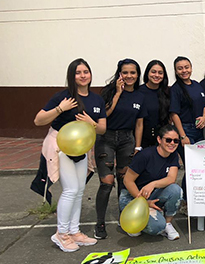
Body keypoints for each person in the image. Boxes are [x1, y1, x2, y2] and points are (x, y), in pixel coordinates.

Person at [34, 58, 107, 252]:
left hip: (81, 149)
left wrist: (92, 122)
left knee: (80, 190)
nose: (83, 75)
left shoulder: (96, 99)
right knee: (70, 190)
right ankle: (61, 233)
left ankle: (74, 231)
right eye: (78, 72)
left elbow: (101, 129)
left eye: (86, 71)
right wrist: (60, 109)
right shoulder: (63, 97)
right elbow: (38, 120)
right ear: (71, 76)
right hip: (61, 146)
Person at [94, 58, 147, 239]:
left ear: (137, 74)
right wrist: (117, 93)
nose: (129, 76)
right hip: (106, 138)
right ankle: (100, 223)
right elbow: (105, 115)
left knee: (125, 181)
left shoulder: (140, 95)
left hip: (127, 139)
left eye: (133, 72)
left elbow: (139, 124)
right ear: (119, 74)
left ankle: (124, 218)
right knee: (106, 182)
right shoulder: (108, 92)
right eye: (125, 72)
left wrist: (138, 146)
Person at [119, 124, 183, 240]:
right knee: (157, 228)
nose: (172, 143)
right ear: (159, 139)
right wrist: (143, 202)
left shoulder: (173, 155)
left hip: (150, 193)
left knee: (175, 190)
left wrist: (153, 184)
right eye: (168, 140)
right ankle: (129, 221)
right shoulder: (145, 155)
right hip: (133, 197)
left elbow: (171, 178)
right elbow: (127, 181)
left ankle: (168, 223)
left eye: (176, 141)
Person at [170, 56, 205, 145]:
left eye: (186, 67)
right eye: (180, 69)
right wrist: (183, 136)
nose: (184, 71)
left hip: (202, 129)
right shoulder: (175, 89)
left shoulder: (197, 85)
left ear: (191, 68)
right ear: (176, 72)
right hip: (186, 130)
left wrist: (204, 117)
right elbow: (174, 114)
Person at [139, 60, 170, 148]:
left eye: (160, 73)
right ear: (147, 73)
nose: (156, 75)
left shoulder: (167, 92)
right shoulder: (139, 91)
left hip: (162, 138)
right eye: (153, 72)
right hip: (142, 137)